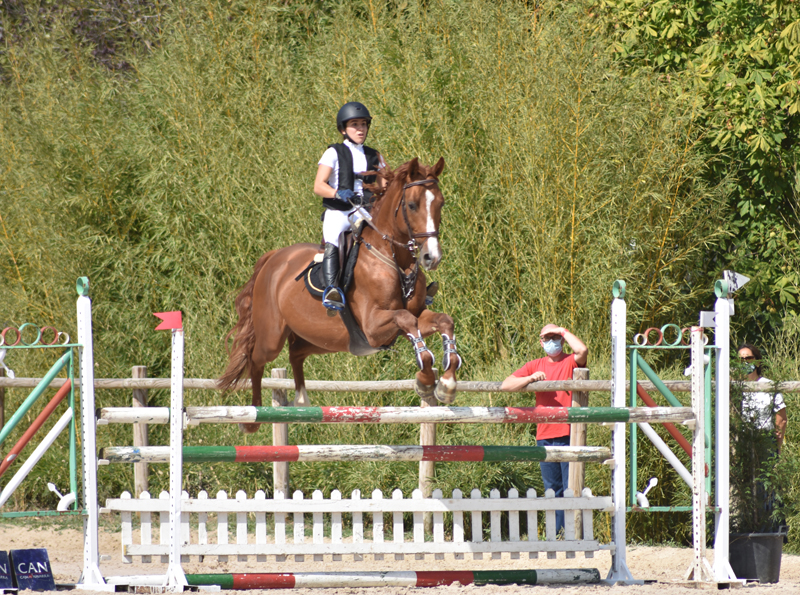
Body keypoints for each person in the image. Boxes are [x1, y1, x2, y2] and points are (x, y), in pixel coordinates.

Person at [501, 324, 588, 535]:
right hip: (545, 435)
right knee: (552, 489)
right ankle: (556, 533)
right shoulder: (535, 365)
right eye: (547, 338)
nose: (551, 342)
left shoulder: (570, 361)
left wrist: (563, 330)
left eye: (555, 338)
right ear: (541, 342)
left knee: (571, 487)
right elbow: (506, 385)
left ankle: (572, 533)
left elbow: (582, 350)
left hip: (569, 433)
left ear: (562, 340)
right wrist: (530, 379)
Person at [313, 102, 386, 314]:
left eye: (363, 124)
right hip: (340, 211)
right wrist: (337, 193)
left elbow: (384, 187)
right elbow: (318, 186)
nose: (360, 129)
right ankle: (332, 289)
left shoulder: (375, 156)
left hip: (366, 211)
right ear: (343, 129)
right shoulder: (333, 153)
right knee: (334, 237)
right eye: (355, 124)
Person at [737, 343, 788, 451]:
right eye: (741, 359)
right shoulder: (733, 387)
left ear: (758, 362)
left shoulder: (770, 386)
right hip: (740, 442)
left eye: (749, 358)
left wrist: (777, 447)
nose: (745, 362)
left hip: (765, 442)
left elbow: (781, 419)